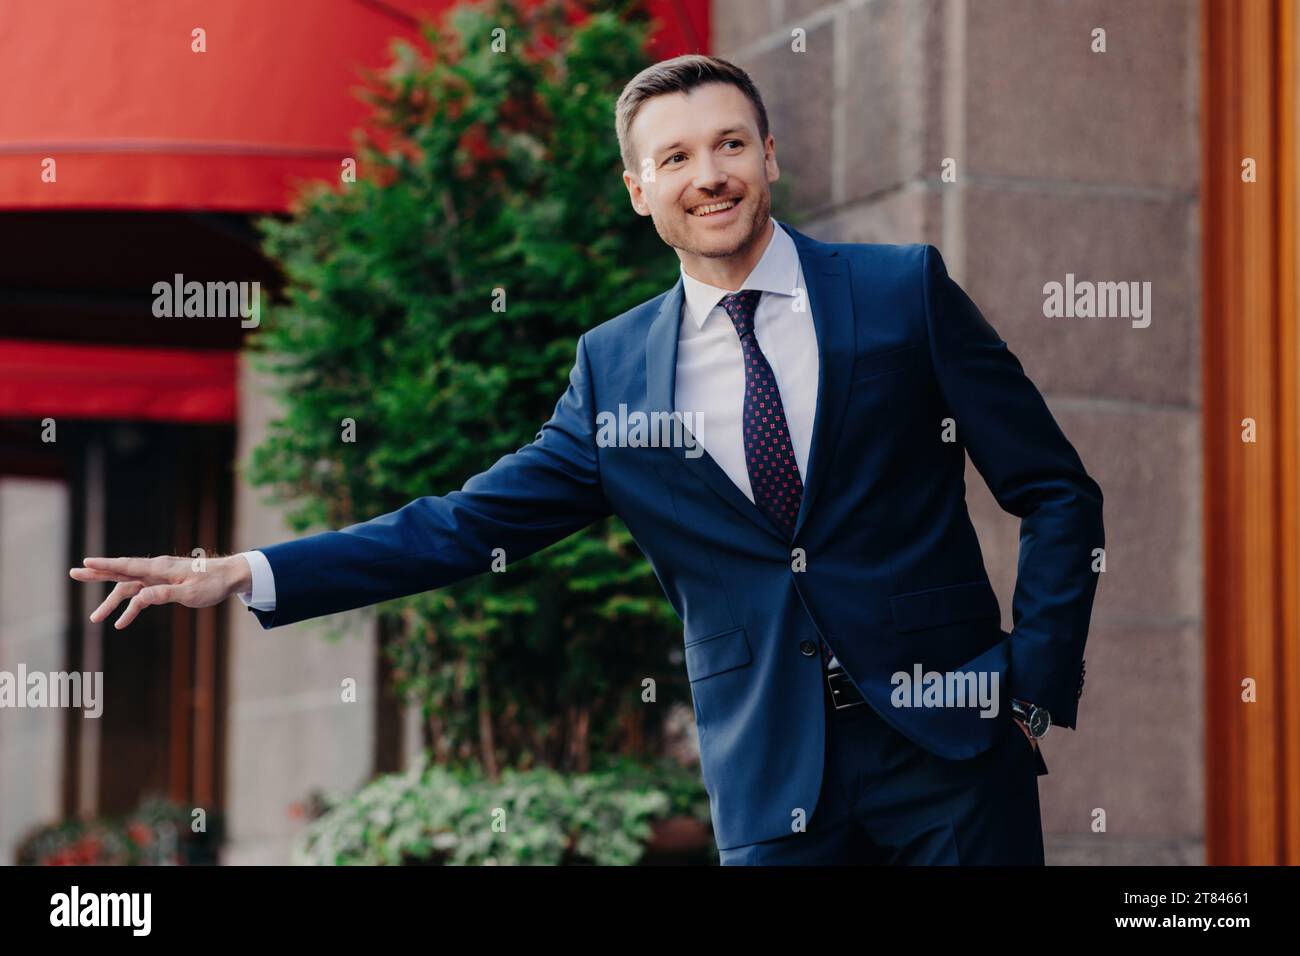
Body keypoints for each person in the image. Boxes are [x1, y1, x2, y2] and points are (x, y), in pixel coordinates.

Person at [70, 54, 1103, 865]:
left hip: (951, 749)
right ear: (636, 189)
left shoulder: (897, 293)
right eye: (676, 158)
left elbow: (1054, 487)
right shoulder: (616, 371)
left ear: (769, 156)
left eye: (729, 143)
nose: (709, 175)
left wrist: (1029, 677)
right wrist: (246, 571)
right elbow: (466, 527)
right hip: (773, 777)